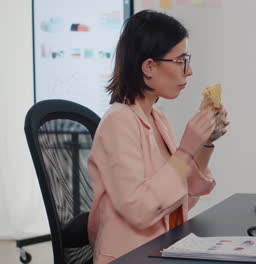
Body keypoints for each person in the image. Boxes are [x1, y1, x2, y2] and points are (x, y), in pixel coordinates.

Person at [87, 10, 229, 264]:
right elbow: (140, 210)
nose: (190, 71)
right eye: (181, 60)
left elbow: (184, 198)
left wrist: (205, 143)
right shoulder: (118, 122)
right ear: (149, 67)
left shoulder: (157, 119)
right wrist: (186, 150)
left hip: (164, 247)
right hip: (129, 256)